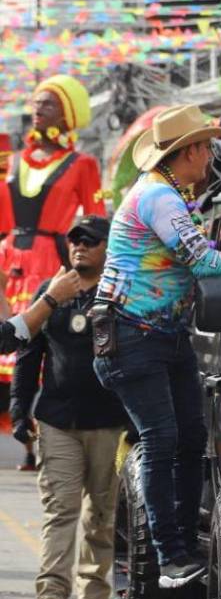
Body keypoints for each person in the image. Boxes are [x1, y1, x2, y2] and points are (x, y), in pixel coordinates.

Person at [93, 105, 221, 588]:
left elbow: (204, 255)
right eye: (206, 147)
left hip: (162, 338)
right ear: (188, 152)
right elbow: (203, 261)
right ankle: (170, 554)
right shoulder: (159, 199)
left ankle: (185, 544)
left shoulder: (166, 194)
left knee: (191, 437)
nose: (210, 156)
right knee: (163, 439)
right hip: (133, 336)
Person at [12, 216, 129, 599]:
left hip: (110, 423)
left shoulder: (121, 295)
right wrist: (19, 408)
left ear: (107, 248)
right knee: (60, 509)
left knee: (102, 514)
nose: (79, 247)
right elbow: (27, 351)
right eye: (74, 240)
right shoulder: (51, 293)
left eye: (90, 241)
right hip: (58, 419)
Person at [0, 76, 104, 407]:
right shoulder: (12, 160)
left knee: (42, 341)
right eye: (36, 102)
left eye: (48, 103)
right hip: (8, 258)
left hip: (49, 259)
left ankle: (36, 424)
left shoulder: (83, 164)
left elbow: (97, 219)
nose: (38, 109)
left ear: (66, 114)